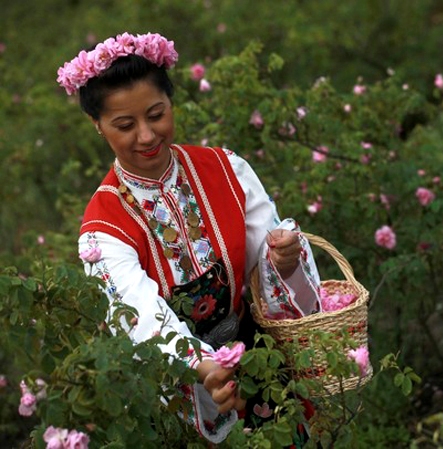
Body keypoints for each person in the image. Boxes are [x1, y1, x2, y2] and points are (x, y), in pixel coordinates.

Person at [58, 32, 321, 443]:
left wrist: (283, 260)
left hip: (256, 356)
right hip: (177, 384)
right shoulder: (102, 227)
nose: (146, 136)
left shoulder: (226, 169)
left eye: (156, 114)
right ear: (97, 125)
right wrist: (203, 366)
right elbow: (139, 314)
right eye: (125, 125)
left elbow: (263, 260)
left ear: (171, 103)